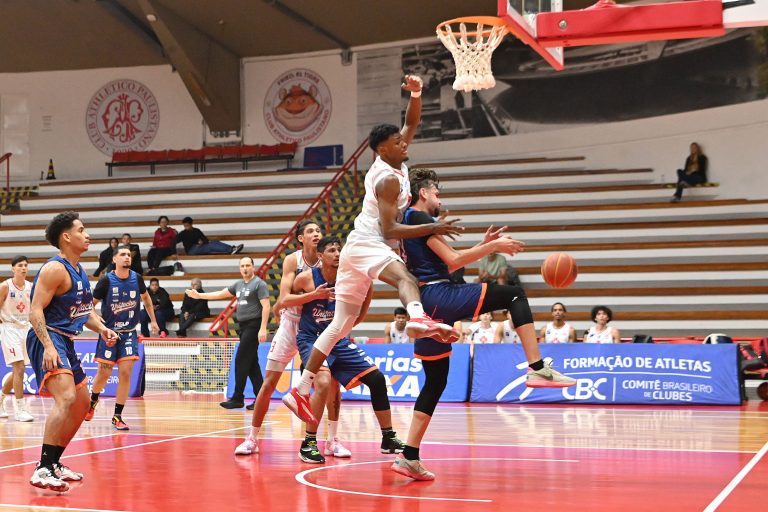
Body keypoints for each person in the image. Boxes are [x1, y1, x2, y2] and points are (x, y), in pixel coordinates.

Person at [283, 75, 462, 424]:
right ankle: (417, 317)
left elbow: (412, 123)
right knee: (405, 278)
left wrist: (416, 93)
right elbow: (390, 229)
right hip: (368, 243)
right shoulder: (387, 178)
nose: (404, 143)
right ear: (383, 149)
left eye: (402, 139)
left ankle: (300, 389)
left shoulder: (396, 159)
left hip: (355, 248)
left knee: (339, 325)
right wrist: (434, 226)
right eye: (397, 142)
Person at [391, 168, 576, 481]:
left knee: (435, 382)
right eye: (436, 193)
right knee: (514, 295)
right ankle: (537, 367)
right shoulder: (419, 217)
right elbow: (453, 261)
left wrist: (481, 245)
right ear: (423, 193)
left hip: (427, 301)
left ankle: (409, 456)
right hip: (440, 295)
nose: (439, 199)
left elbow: (448, 260)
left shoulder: (412, 221)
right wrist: (493, 247)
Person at [234, 221, 351, 460]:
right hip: (291, 324)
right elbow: (284, 300)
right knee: (269, 383)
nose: (316, 234)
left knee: (331, 383)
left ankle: (332, 440)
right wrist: (312, 295)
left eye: (318, 231)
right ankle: (252, 438)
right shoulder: (292, 261)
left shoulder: (330, 259)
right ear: (300, 238)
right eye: (310, 231)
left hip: (318, 326)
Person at [287, 236, 404, 461]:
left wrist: (350, 326)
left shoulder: (348, 277)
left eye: (339, 250)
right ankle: (308, 443)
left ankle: (388, 437)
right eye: (331, 250)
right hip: (312, 339)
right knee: (323, 383)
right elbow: (285, 300)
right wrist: (311, 296)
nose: (337, 254)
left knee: (377, 379)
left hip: (338, 339)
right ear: (320, 256)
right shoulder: (306, 278)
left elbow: (367, 294)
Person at [26, 211, 118, 492]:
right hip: (48, 336)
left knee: (81, 404)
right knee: (66, 397)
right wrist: (48, 345)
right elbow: (35, 311)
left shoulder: (79, 270)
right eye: (81, 230)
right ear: (66, 237)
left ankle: (54, 462)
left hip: (66, 339)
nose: (87, 235)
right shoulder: (55, 269)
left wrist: (102, 329)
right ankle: (42, 468)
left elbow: (83, 312)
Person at [85, 245, 159, 430]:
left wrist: (153, 321)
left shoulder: (137, 278)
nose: (127, 257)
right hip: (109, 333)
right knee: (104, 373)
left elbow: (146, 299)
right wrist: (98, 321)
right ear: (114, 259)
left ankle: (117, 416)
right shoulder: (106, 281)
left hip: (129, 333)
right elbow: (89, 306)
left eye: (129, 255)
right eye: (123, 254)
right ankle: (93, 401)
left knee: (125, 373)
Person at [186, 256, 269, 409]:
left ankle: (238, 397)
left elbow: (266, 306)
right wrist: (199, 296)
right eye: (242, 266)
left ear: (253, 267)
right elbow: (220, 294)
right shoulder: (238, 284)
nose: (245, 268)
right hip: (243, 326)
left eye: (248, 265)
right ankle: (261, 399)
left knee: (241, 359)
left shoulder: (259, 284)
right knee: (252, 364)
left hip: (254, 325)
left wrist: (263, 328)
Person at [0, 255, 34, 422]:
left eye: (25, 265)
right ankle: (20, 410)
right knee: (19, 368)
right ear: (13, 268)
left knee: (18, 371)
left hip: (26, 329)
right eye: (20, 265)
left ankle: (0, 398)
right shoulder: (5, 286)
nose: (23, 268)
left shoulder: (31, 287)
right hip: (9, 328)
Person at [176, 216, 243, 256]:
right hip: (191, 250)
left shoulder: (197, 230)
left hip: (199, 246)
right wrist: (173, 253)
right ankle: (231, 250)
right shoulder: (182, 233)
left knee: (214, 242)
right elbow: (174, 241)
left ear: (191, 224)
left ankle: (232, 248)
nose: (186, 227)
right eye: (184, 226)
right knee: (210, 246)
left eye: (187, 225)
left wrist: (202, 242)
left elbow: (205, 239)